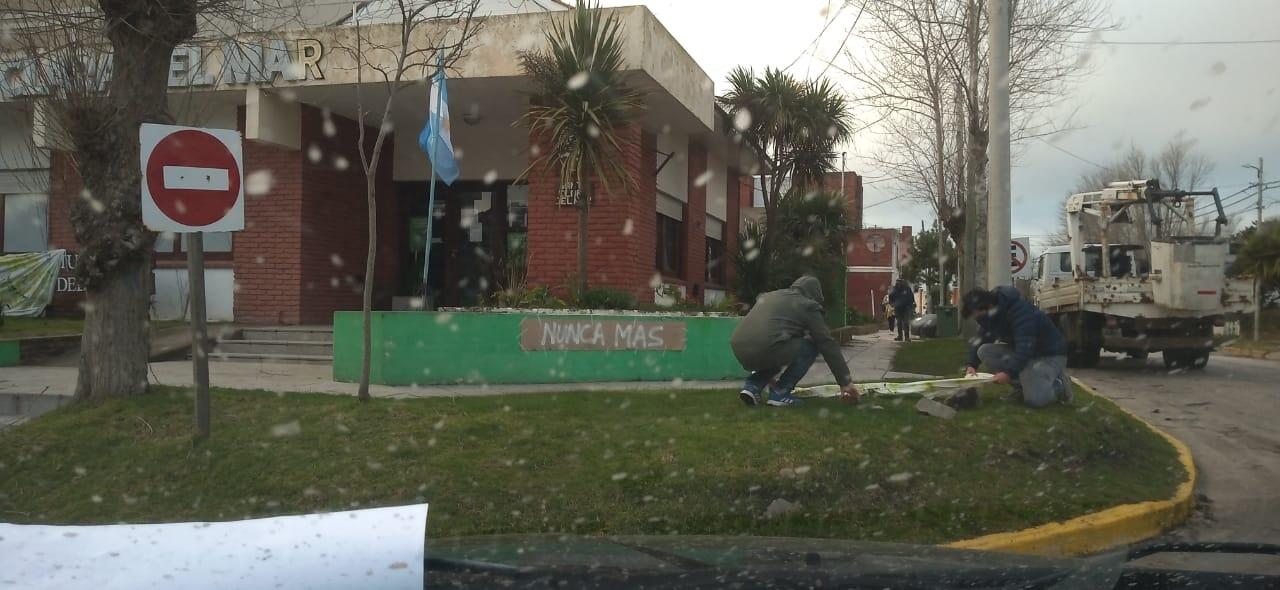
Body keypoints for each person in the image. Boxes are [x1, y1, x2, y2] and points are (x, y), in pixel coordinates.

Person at [730, 276, 862, 407]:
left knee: (779, 347)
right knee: (811, 346)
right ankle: (780, 393)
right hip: (768, 347)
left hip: (739, 347)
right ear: (815, 294)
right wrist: (845, 382)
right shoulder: (808, 305)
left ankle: (752, 387)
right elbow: (826, 342)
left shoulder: (771, 296)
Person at [961, 286, 1073, 408]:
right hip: (1028, 353)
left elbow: (1025, 347)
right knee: (984, 351)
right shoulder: (990, 314)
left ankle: (1060, 385)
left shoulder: (1020, 311)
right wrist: (971, 365)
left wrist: (1008, 373)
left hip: (1049, 355)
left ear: (986, 306)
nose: (977, 318)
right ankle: (1021, 388)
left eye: (976, 314)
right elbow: (982, 338)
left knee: (1035, 400)